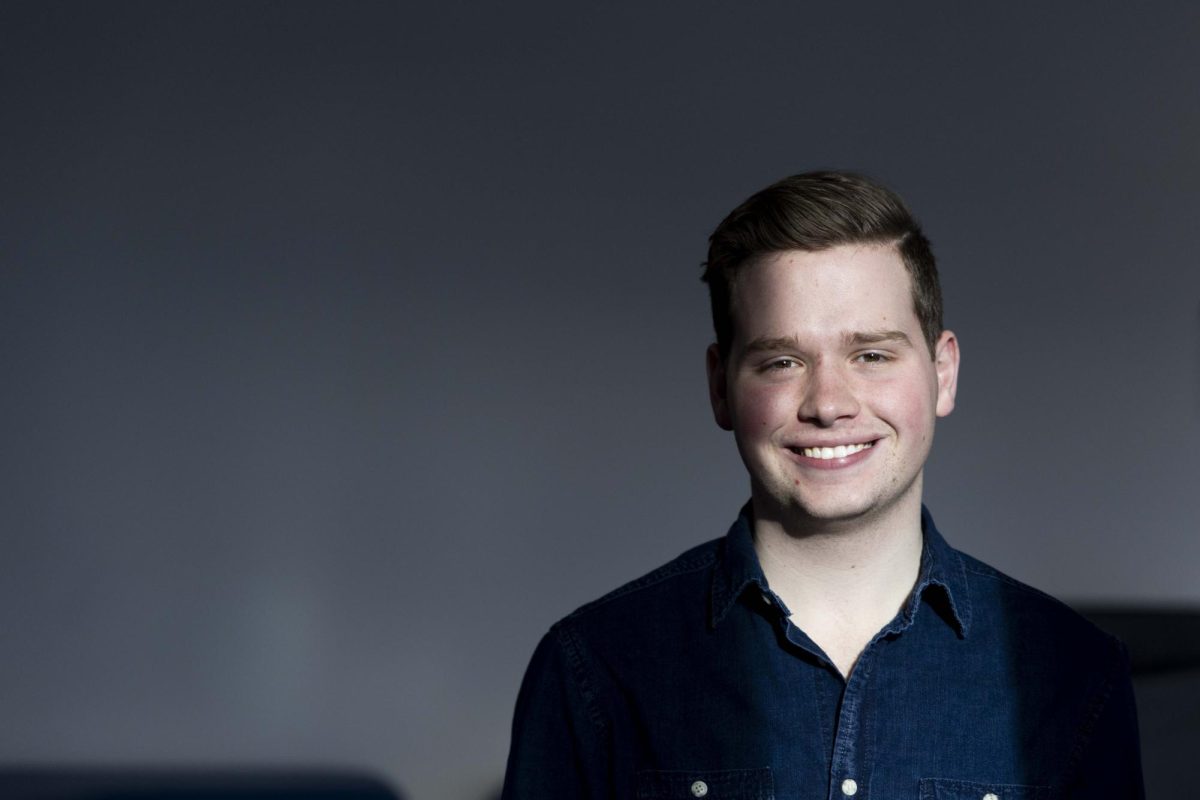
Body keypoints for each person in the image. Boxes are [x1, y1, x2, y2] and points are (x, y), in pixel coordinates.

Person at [501, 171, 1144, 799]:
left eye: (871, 354)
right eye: (782, 362)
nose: (829, 404)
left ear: (942, 373)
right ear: (720, 387)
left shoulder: (1077, 674)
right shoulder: (595, 669)